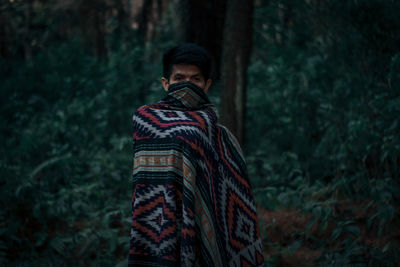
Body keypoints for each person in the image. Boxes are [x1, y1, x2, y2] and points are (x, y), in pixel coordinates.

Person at [129, 43, 264, 266]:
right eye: (179, 79)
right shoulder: (145, 118)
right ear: (166, 83)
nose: (187, 86)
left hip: (199, 226)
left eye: (195, 80)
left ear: (207, 85)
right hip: (154, 224)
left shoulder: (215, 132)